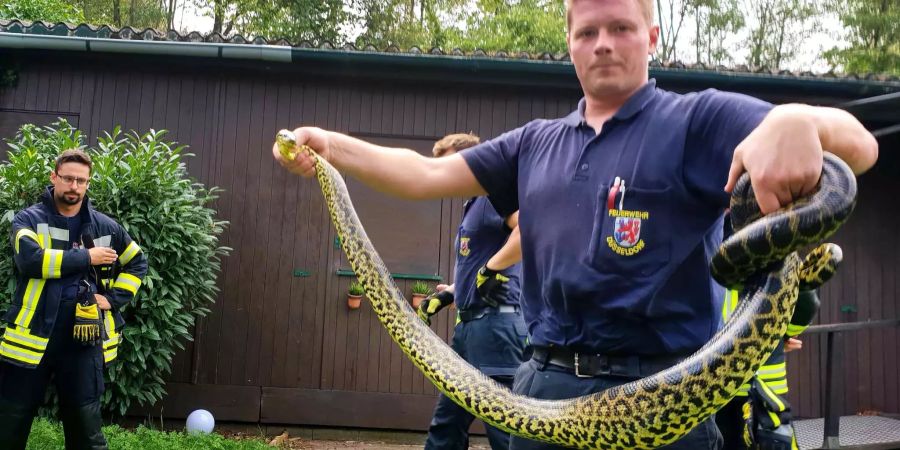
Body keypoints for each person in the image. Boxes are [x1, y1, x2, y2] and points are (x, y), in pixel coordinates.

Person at [273, 0, 878, 447]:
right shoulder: (534, 144)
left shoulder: (698, 120)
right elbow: (421, 176)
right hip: (545, 393)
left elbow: (857, 147)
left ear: (651, 36)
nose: (604, 43)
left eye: (620, 28)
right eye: (588, 31)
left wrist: (797, 118)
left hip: (667, 393)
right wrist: (330, 148)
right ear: (570, 42)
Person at [0, 149, 148, 449]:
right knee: (10, 421)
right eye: (68, 178)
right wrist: (86, 257)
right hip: (32, 336)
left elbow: (137, 262)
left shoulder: (106, 226)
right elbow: (30, 261)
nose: (74, 187)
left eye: (81, 181)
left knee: (85, 427)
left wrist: (113, 298)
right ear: (54, 177)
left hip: (85, 337)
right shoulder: (28, 219)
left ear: (88, 183)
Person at [417, 133, 529, 450]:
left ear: (472, 162)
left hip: (496, 329)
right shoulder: (473, 204)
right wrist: (451, 292)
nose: (444, 175)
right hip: (469, 331)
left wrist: (492, 269)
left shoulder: (497, 195)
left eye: (450, 164)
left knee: (504, 430)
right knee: (447, 426)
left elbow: (530, 229)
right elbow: (479, 262)